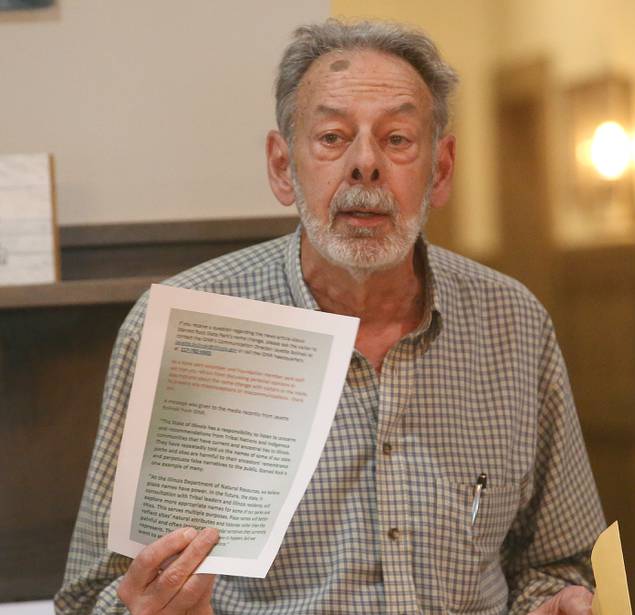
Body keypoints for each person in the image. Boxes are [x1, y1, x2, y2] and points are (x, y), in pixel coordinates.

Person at [55, 19, 605, 615]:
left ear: (440, 169)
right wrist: (142, 609)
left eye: (397, 139)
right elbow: (88, 599)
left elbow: (559, 562)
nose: (366, 164)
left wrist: (558, 602)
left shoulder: (513, 324)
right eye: (332, 137)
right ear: (281, 165)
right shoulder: (184, 328)